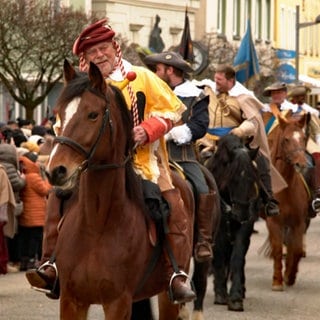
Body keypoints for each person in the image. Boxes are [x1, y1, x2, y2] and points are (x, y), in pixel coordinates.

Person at [26, 18, 196, 303]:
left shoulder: (140, 76)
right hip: (90, 166)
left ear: (115, 48)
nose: (99, 55)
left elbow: (172, 111)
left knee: (172, 200)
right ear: (85, 58)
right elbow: (63, 126)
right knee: (57, 195)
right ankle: (50, 265)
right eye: (92, 52)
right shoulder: (79, 87)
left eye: (103, 48)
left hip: (142, 161)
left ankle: (174, 274)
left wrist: (149, 129)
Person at [143, 51, 216, 262]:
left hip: (181, 155)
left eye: (158, 69)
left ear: (170, 70)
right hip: (149, 155)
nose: (155, 73)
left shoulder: (197, 94)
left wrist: (171, 133)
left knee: (202, 187)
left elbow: (200, 126)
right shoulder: (151, 91)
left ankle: (203, 239)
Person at [195, 65, 286, 217]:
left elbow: (254, 122)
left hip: (234, 142)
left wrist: (240, 131)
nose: (215, 82)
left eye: (219, 79)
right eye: (215, 78)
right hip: (208, 141)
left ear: (230, 80)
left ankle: (268, 199)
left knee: (260, 161)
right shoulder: (206, 90)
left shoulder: (243, 96)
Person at [262, 82, 320, 215]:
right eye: (274, 93)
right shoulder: (264, 111)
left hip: (296, 143)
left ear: (285, 94)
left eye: (279, 92)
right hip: (269, 144)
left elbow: (314, 130)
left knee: (314, 160)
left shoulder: (296, 110)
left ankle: (315, 195)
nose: (276, 95)